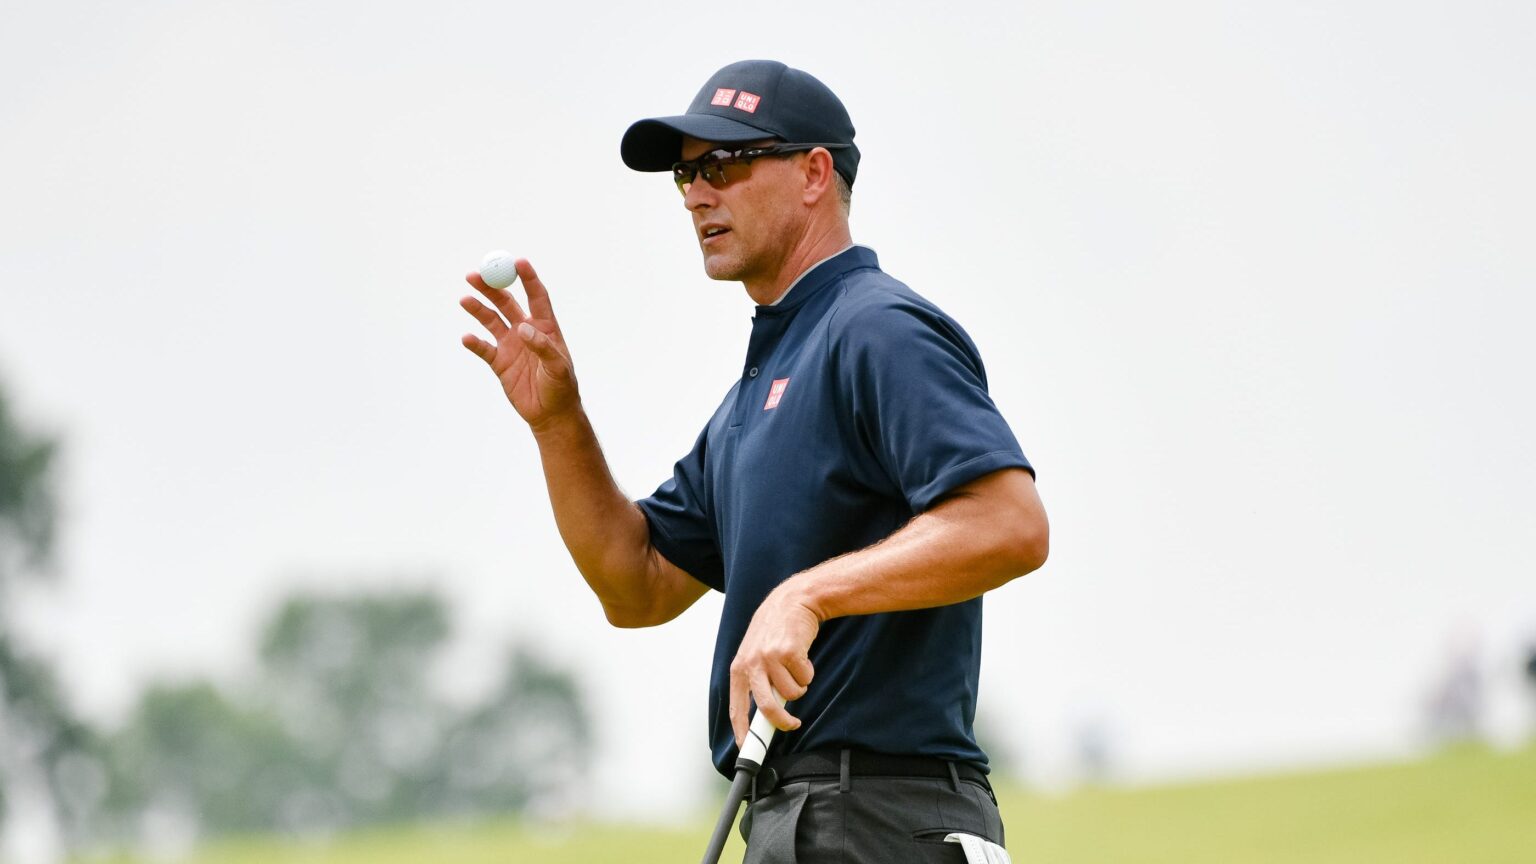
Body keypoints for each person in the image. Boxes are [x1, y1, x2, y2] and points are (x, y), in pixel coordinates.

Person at [459, 59, 1049, 863]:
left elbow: (1010, 523)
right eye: (684, 175)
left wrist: (807, 595)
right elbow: (635, 583)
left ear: (814, 174)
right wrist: (559, 424)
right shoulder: (753, 397)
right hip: (797, 818)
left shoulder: (878, 330)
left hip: (882, 813)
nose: (698, 193)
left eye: (725, 165)